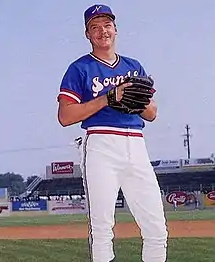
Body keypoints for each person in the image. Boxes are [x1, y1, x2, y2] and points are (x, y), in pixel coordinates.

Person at [57, 4, 168, 262]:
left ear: (115, 29)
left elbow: (151, 114)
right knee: (102, 230)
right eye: (94, 27)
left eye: (107, 25)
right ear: (87, 35)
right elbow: (65, 116)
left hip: (137, 146)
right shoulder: (80, 68)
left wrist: (135, 100)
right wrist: (108, 98)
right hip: (102, 145)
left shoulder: (134, 65)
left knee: (156, 230)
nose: (102, 31)